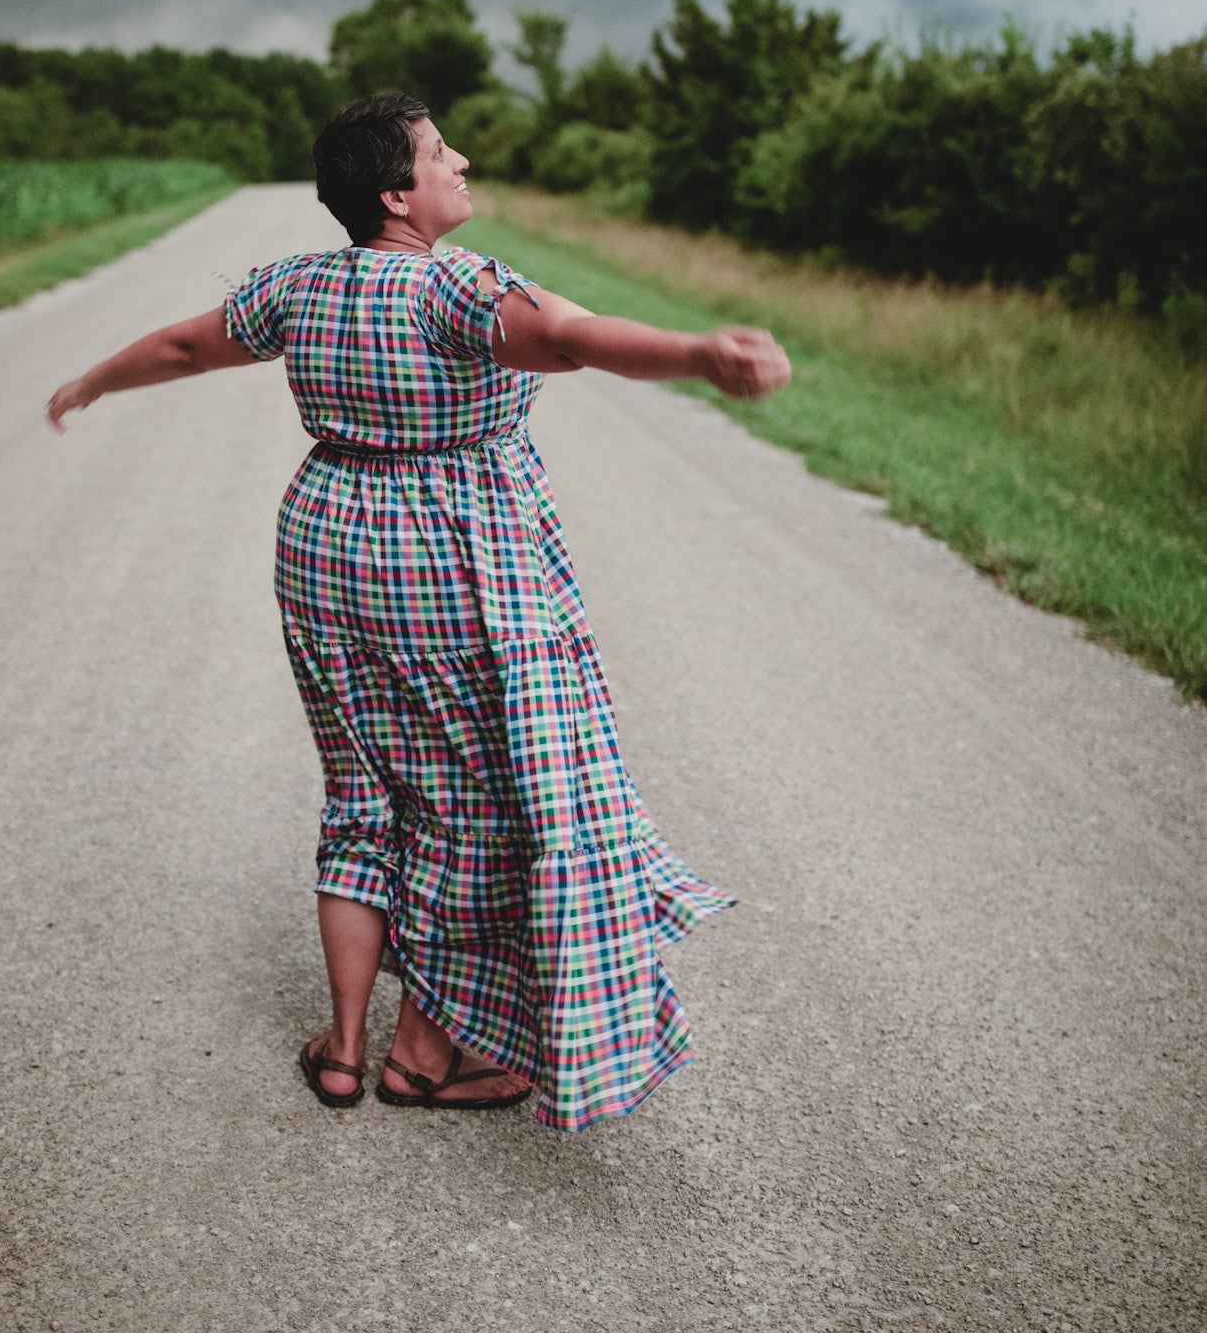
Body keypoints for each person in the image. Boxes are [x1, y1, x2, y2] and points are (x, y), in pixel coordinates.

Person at [47, 92, 791, 1131]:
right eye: (444, 153)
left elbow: (180, 349)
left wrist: (89, 379)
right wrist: (699, 354)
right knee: (477, 804)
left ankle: (343, 1046)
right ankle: (423, 1050)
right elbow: (570, 337)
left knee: (362, 787)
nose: (465, 160)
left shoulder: (299, 284)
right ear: (397, 191)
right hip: (447, 558)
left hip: (326, 545)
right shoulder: (454, 288)